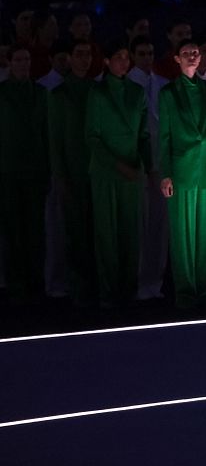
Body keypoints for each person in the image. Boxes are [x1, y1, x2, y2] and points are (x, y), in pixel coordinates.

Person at [159, 39, 206, 312]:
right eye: (186, 53)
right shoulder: (168, 93)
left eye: (195, 52)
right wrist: (166, 174)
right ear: (176, 58)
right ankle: (186, 293)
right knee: (183, 234)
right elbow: (164, 136)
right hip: (182, 169)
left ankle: (205, 290)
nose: (191, 56)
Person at [86, 39, 151, 308]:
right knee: (107, 232)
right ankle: (108, 292)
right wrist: (119, 165)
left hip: (132, 171)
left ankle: (128, 289)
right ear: (106, 61)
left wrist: (146, 166)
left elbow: (144, 134)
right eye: (118, 57)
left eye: (127, 57)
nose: (124, 61)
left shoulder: (137, 91)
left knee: (130, 231)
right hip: (106, 172)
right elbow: (93, 138)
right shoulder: (97, 93)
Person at [49, 39, 96, 305]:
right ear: (70, 57)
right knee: (73, 231)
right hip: (71, 173)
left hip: (96, 171)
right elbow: (55, 139)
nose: (83, 59)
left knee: (94, 231)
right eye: (79, 54)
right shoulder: (58, 95)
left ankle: (92, 284)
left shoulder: (96, 90)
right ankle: (76, 286)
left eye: (87, 54)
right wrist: (60, 174)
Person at [0, 45, 49, 303]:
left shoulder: (41, 93)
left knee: (35, 228)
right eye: (18, 59)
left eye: (27, 59)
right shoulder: (2, 93)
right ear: (9, 62)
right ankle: (15, 281)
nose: (23, 64)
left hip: (35, 170)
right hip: (7, 171)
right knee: (12, 229)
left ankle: (34, 279)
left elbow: (46, 133)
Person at [127, 35, 170, 300]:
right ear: (132, 55)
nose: (147, 57)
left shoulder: (163, 85)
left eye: (150, 52)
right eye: (141, 53)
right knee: (139, 227)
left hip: (161, 164)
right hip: (137, 164)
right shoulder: (128, 85)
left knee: (159, 226)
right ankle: (138, 281)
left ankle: (155, 282)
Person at [39, 40, 70, 299]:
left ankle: (66, 281)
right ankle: (52, 282)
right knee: (54, 228)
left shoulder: (75, 88)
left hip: (77, 169)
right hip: (54, 169)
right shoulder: (46, 89)